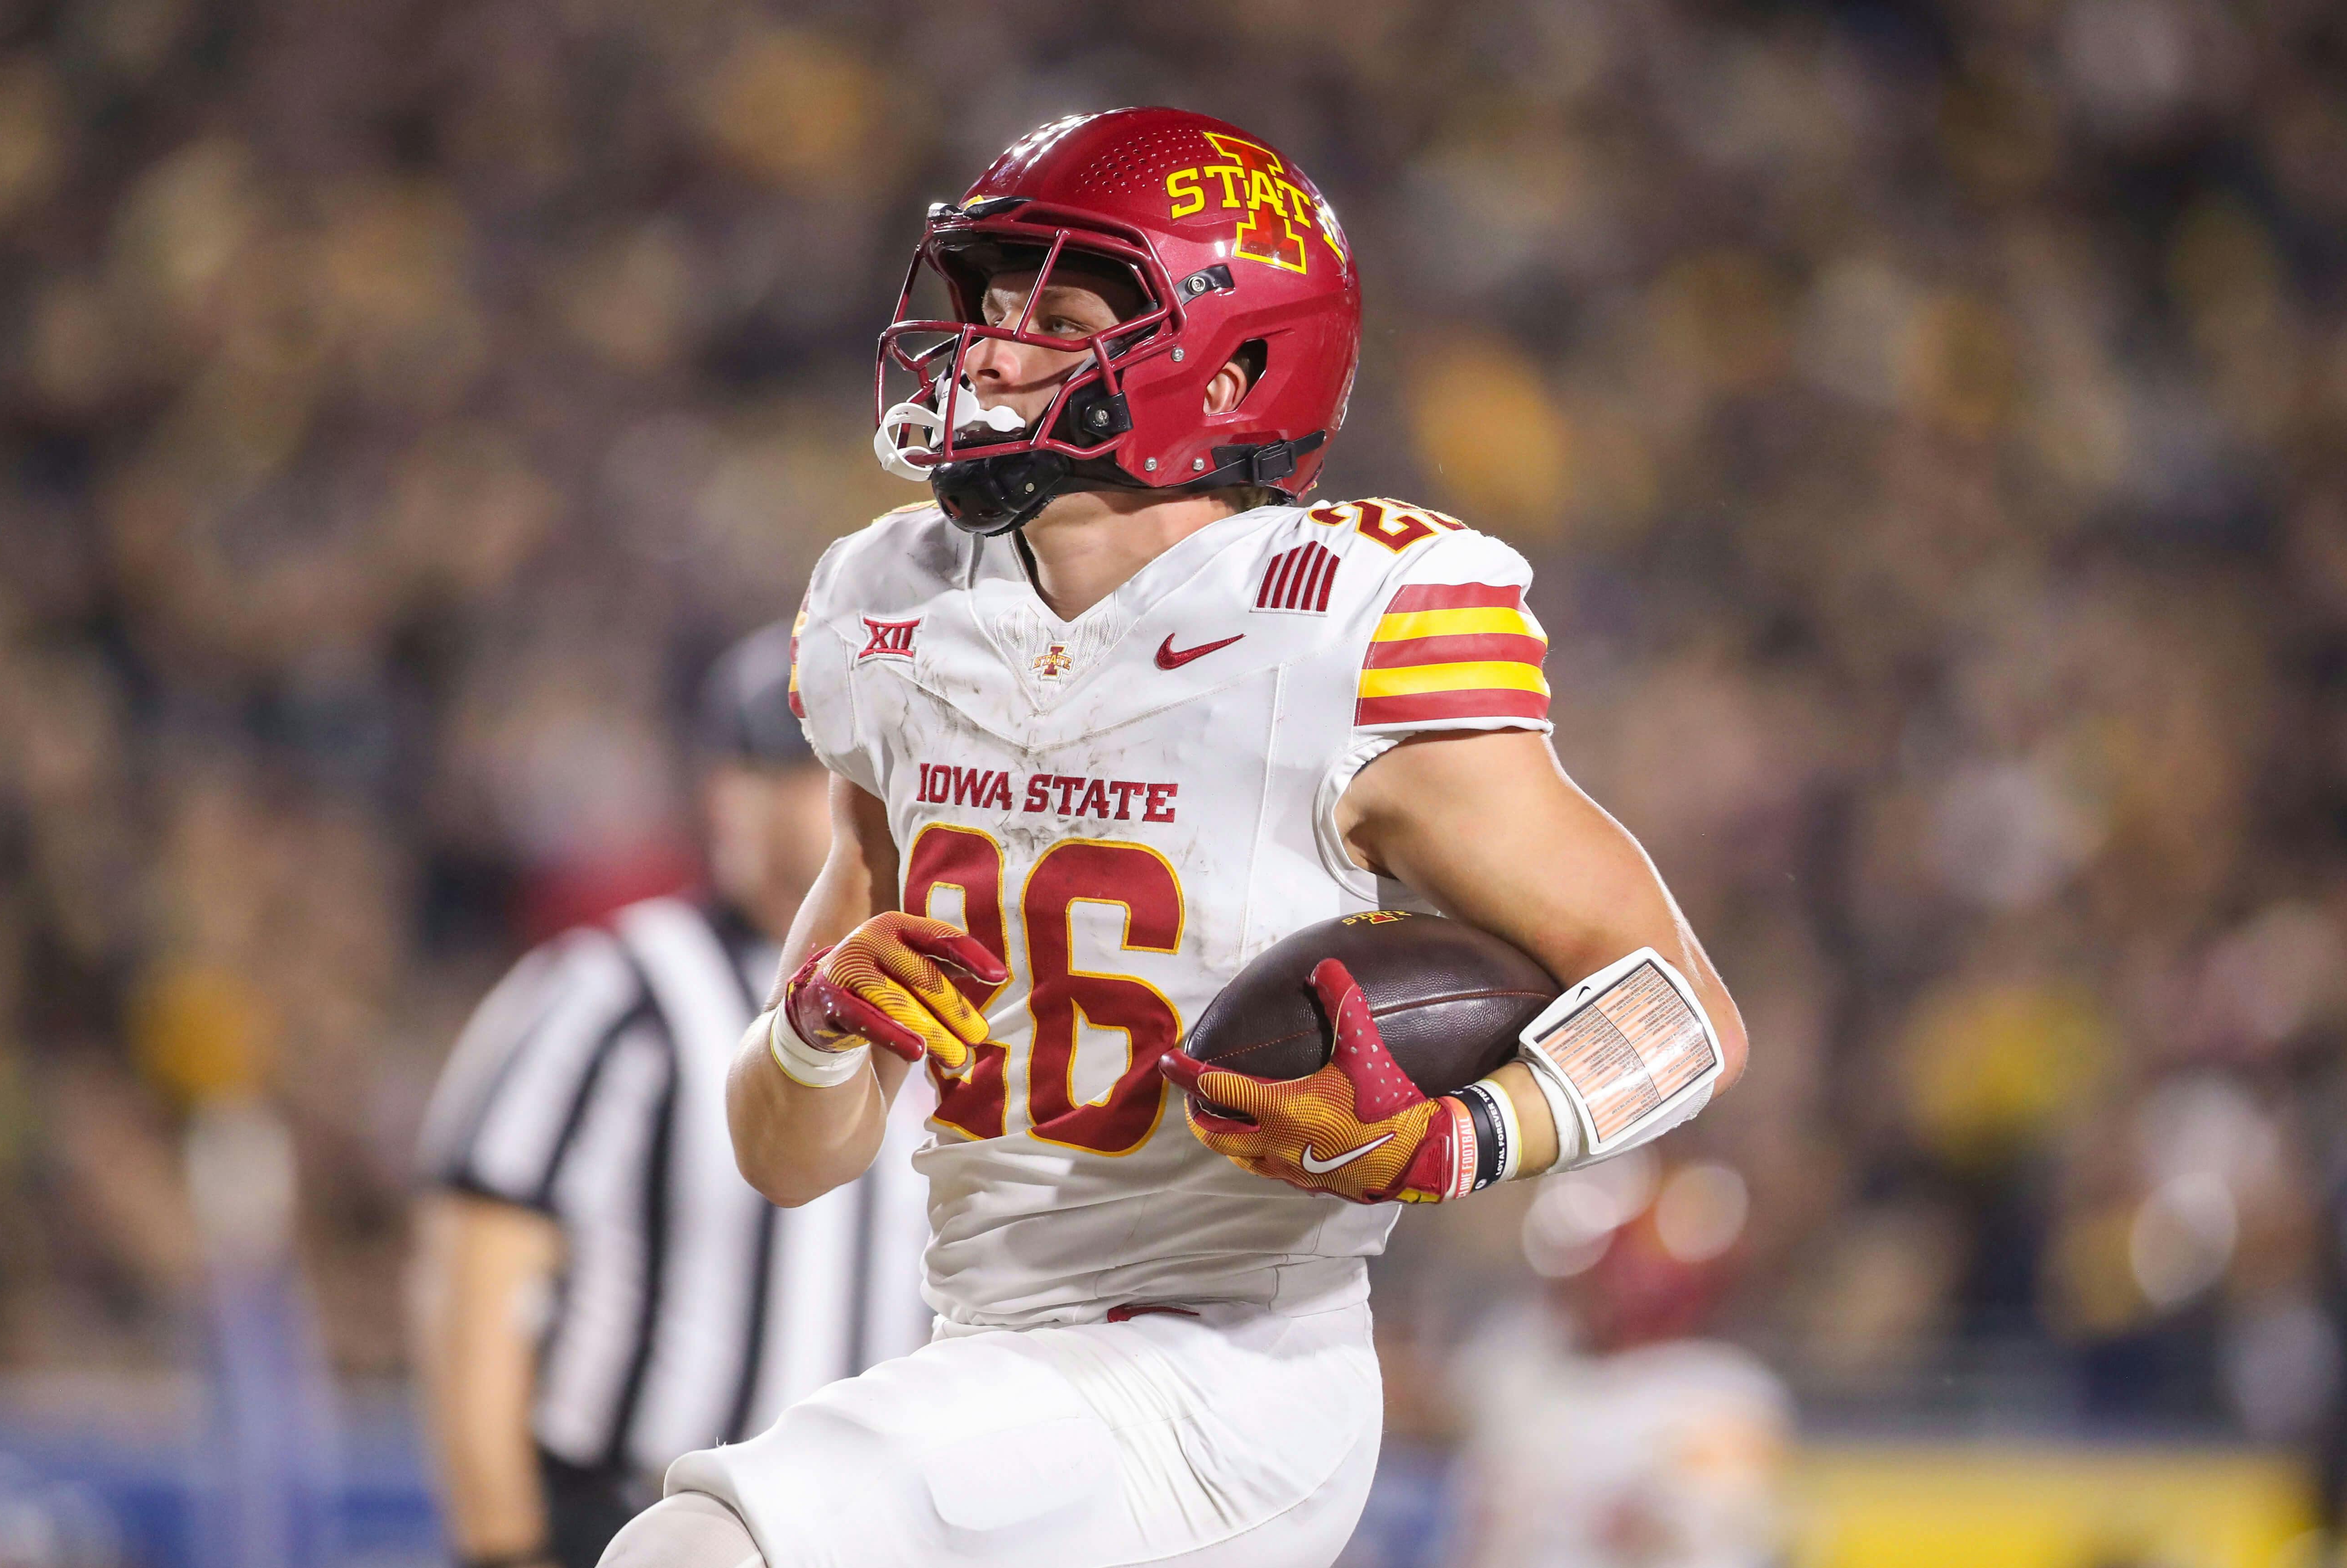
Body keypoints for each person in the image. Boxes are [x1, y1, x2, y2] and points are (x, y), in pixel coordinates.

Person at [602, 106, 1749, 1568]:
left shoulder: (1341, 627)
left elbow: (1682, 1010)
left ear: (1232, 360)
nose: (993, 347)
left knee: (704, 1545)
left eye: (1060, 311)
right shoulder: (891, 613)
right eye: (992, 300)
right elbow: (784, 1155)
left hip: (1227, 1377)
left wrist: (1459, 1135)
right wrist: (820, 1028)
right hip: (994, 1355)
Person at [410, 624, 933, 1568]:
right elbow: (477, 1273)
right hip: (628, 1517)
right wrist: (500, 1543)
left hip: (869, 1529)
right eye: (775, 770)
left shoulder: (952, 997)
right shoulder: (608, 990)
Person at [1452, 1158, 1791, 1568]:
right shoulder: (1516, 1358)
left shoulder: (1721, 1391)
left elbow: (1716, 1526)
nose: (1617, 1291)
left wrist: (1654, 1516)